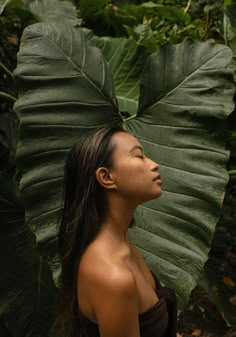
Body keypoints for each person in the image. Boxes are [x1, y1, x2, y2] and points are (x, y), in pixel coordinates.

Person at [58, 124, 179, 337]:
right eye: (139, 156)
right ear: (106, 177)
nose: (154, 164)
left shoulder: (121, 244)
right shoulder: (113, 276)